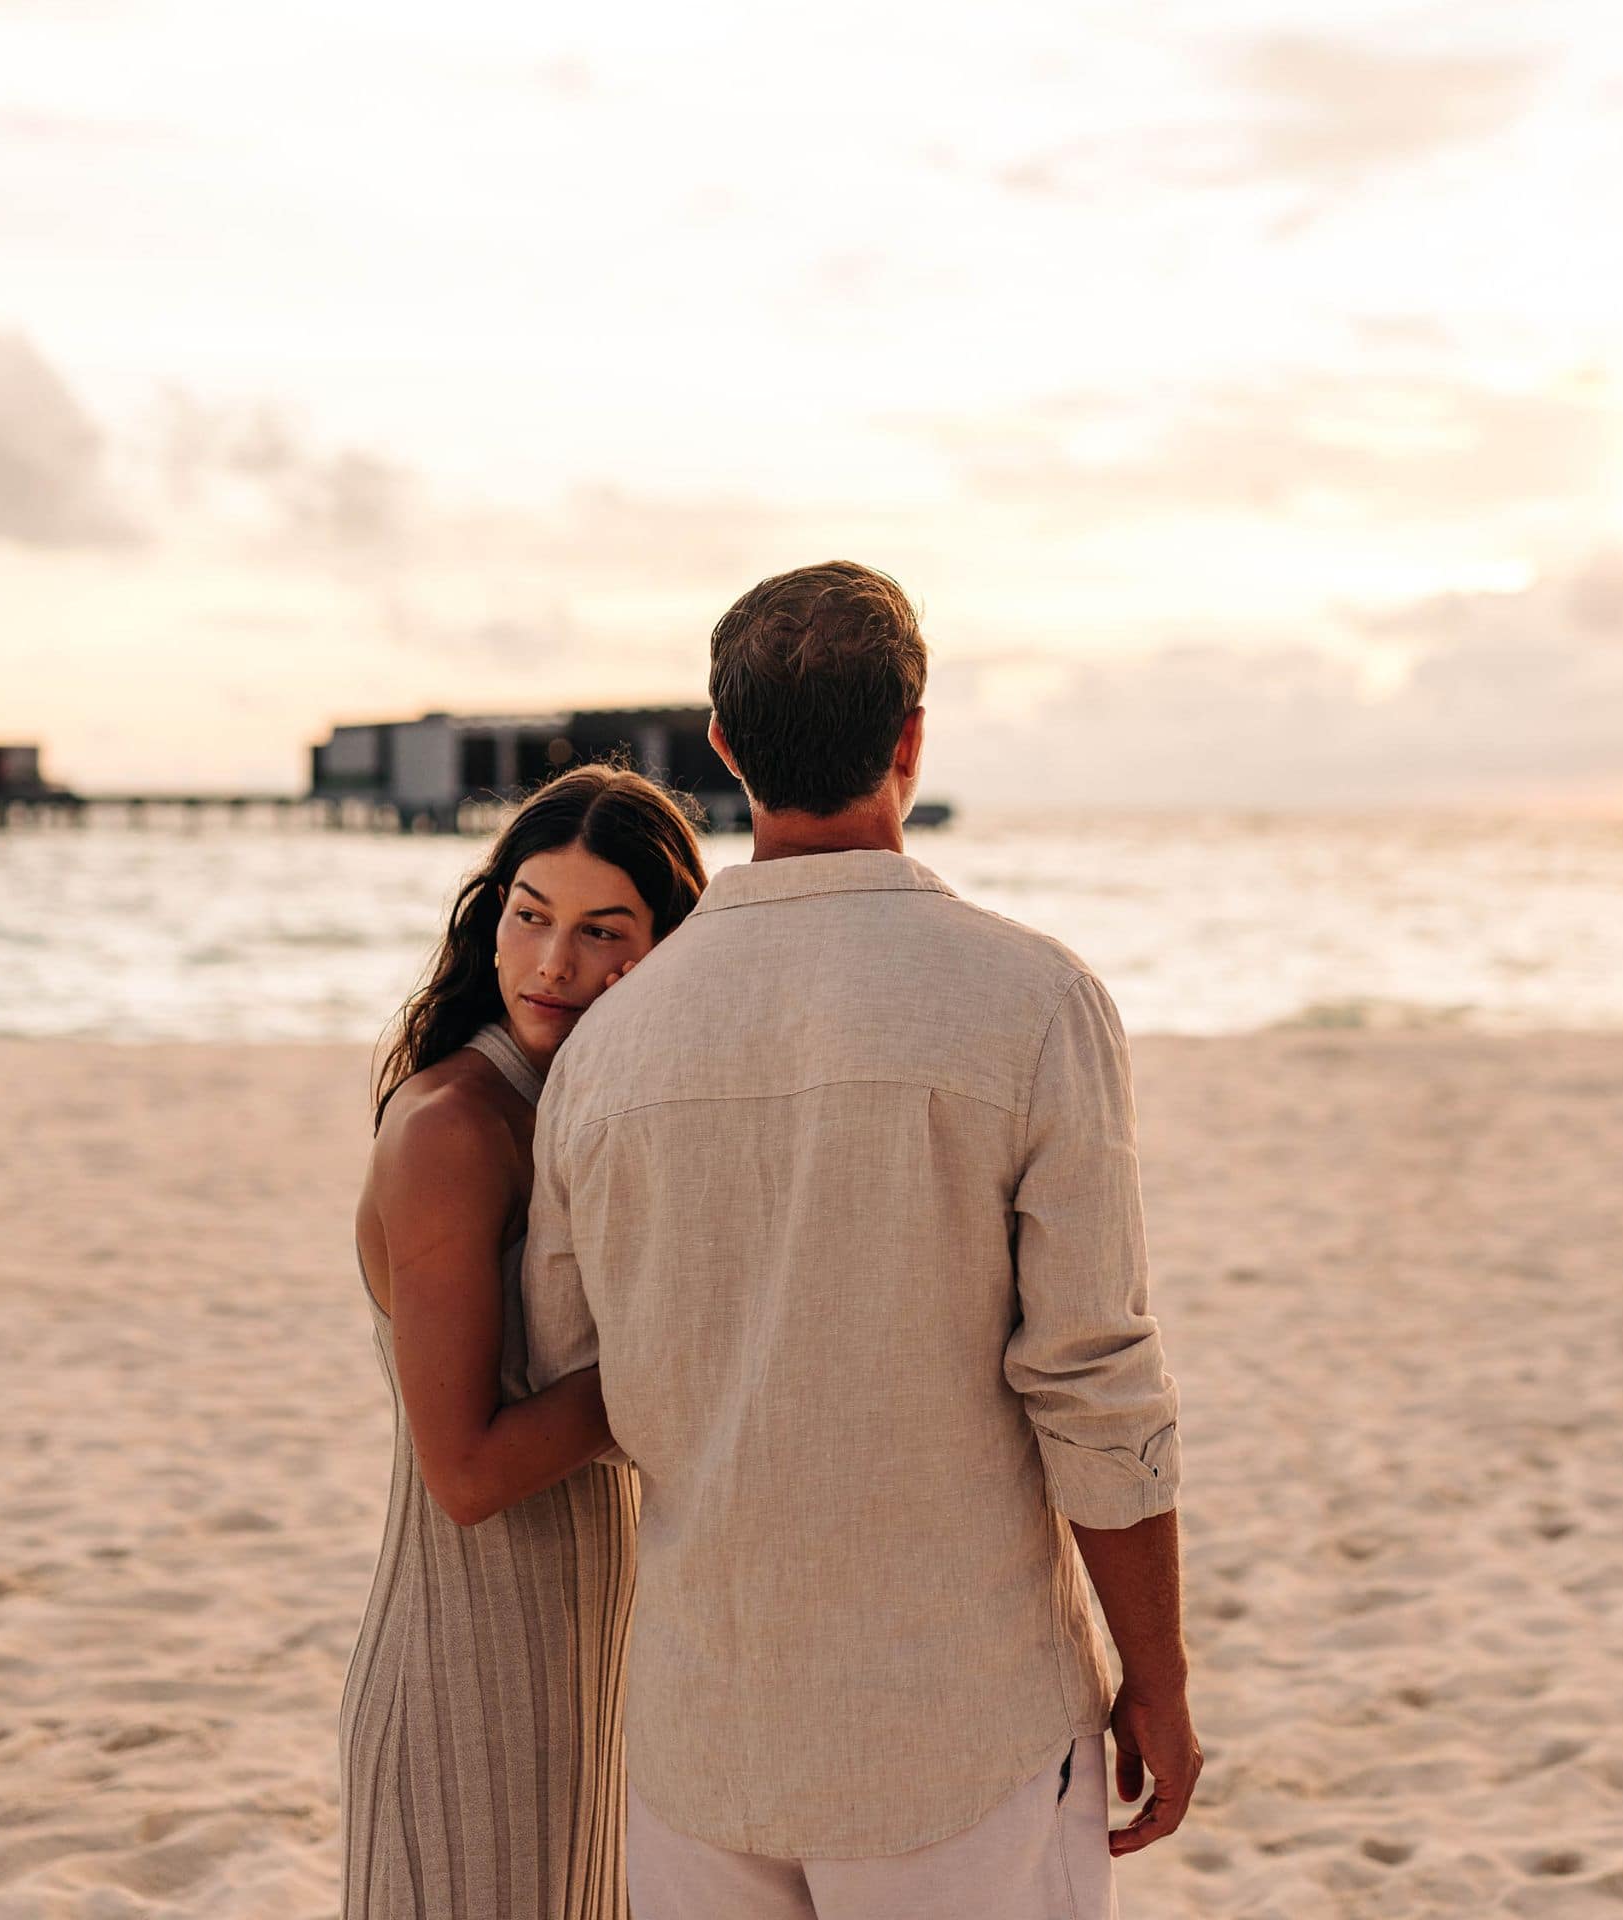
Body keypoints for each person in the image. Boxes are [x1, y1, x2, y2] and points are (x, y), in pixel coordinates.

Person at [523, 561, 1199, 1920]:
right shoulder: (1032, 1001)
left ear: (723, 747)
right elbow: (1092, 1381)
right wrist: (1161, 1682)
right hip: (960, 1729)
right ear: (911, 739)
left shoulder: (608, 1046)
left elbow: (568, 1362)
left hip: (703, 1731)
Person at [341, 764, 707, 1920]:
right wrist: (684, 1352)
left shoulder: (594, 1114)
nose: (553, 963)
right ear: (491, 917)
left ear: (662, 952)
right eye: (531, 916)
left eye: (602, 931)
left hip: (599, 1656)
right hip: (466, 1670)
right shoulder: (454, 1127)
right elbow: (465, 1475)